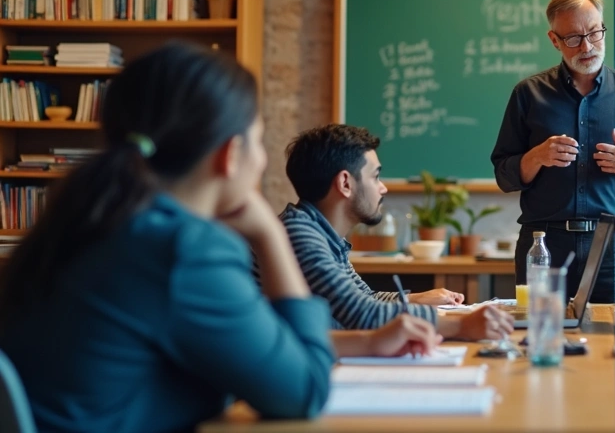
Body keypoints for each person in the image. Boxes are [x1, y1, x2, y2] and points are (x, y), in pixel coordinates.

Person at [0, 42, 439, 433]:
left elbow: (257, 343)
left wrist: (365, 342)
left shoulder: (94, 221)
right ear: (231, 155)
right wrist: (269, 234)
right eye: (260, 141)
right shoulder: (185, 249)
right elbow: (302, 392)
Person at [491, 0, 615, 302]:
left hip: (614, 244)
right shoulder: (528, 94)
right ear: (554, 40)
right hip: (543, 244)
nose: (586, 46)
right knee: (538, 335)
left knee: (613, 339)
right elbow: (504, 175)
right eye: (573, 38)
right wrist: (536, 156)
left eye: (595, 33)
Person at [277, 123, 514, 340]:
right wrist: (460, 325)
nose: (383, 188)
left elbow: (364, 299)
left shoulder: (321, 232)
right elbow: (363, 315)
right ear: (345, 184)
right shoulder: (299, 234)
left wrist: (413, 299)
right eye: (376, 176)